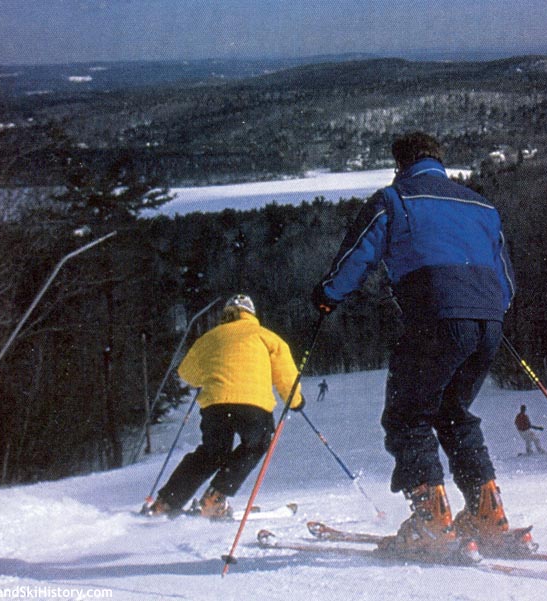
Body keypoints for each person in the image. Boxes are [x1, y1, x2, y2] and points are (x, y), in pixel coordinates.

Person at [312, 132, 518, 556]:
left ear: (400, 164)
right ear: (440, 161)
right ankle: (487, 512)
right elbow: (507, 282)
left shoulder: (394, 199)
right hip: (487, 323)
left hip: (436, 320)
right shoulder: (481, 205)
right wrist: (482, 307)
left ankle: (431, 521)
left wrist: (328, 295)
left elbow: (358, 256)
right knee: (453, 412)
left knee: (408, 415)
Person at [145, 294, 304, 519]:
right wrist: (295, 400)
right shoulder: (266, 337)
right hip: (252, 404)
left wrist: (210, 375)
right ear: (251, 314)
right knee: (256, 443)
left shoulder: (209, 338)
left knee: (212, 453)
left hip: (215, 405)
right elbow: (286, 375)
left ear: (226, 314)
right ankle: (214, 498)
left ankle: (166, 502)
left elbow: (186, 373)